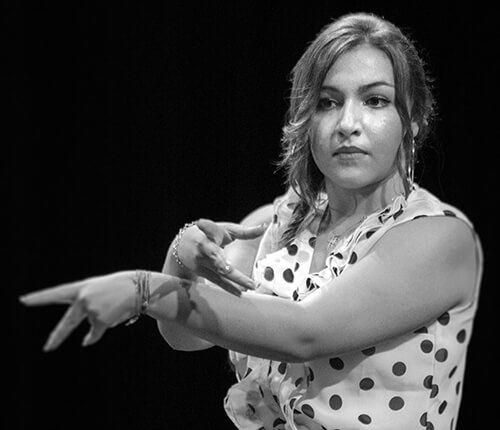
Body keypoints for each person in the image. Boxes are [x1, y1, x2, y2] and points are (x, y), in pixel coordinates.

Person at [20, 12, 483, 430]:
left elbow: (305, 333)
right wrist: (181, 254)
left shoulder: (441, 238)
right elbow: (185, 337)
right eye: (326, 102)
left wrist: (142, 289)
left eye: (376, 101)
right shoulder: (277, 224)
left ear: (415, 119)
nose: (347, 123)